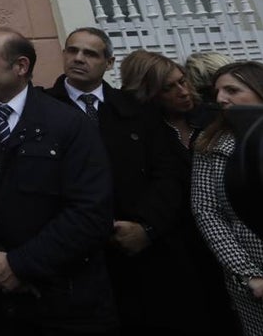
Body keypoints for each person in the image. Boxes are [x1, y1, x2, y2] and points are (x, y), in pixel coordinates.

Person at [0, 28, 117, 336]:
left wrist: (20, 264)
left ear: (20, 66)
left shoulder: (68, 123)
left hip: (67, 296)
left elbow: (90, 210)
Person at [46, 29, 190, 335]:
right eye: (72, 51)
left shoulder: (136, 108)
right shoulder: (42, 108)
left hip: (139, 249)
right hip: (72, 254)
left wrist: (146, 227)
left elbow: (166, 173)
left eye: (90, 53)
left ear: (109, 62)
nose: (78, 58)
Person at [117, 48, 235, 335]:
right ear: (148, 94)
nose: (183, 91)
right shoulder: (145, 132)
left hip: (226, 235)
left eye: (183, 81)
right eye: (169, 88)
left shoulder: (213, 118)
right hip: (177, 245)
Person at [192, 61, 263, 335]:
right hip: (254, 276)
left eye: (232, 90)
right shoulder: (211, 143)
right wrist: (249, 274)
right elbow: (206, 211)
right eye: (218, 92)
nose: (221, 99)